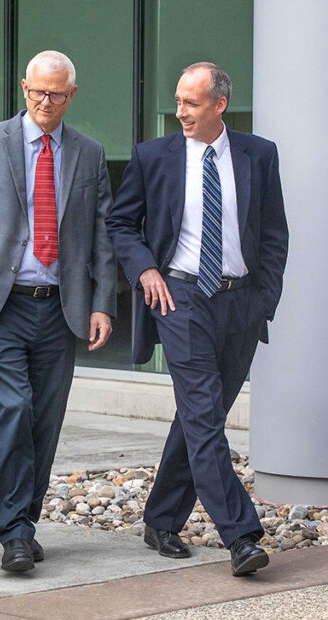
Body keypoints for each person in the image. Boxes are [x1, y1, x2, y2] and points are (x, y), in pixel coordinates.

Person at [105, 62, 288, 577]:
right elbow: (122, 223)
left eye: (191, 103)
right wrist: (145, 270)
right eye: (179, 101)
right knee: (206, 416)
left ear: (219, 104)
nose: (180, 112)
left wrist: (263, 303)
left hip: (240, 302)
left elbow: (274, 234)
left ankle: (161, 518)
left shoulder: (259, 154)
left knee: (198, 418)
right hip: (180, 297)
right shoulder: (152, 156)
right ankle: (242, 536)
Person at [0, 50, 117, 572]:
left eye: (55, 94)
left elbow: (102, 235)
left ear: (71, 96)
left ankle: (24, 521)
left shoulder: (90, 153)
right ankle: (14, 533)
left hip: (61, 310)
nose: (45, 101)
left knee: (44, 422)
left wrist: (102, 303)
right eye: (37, 91)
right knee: (13, 412)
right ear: (23, 87)